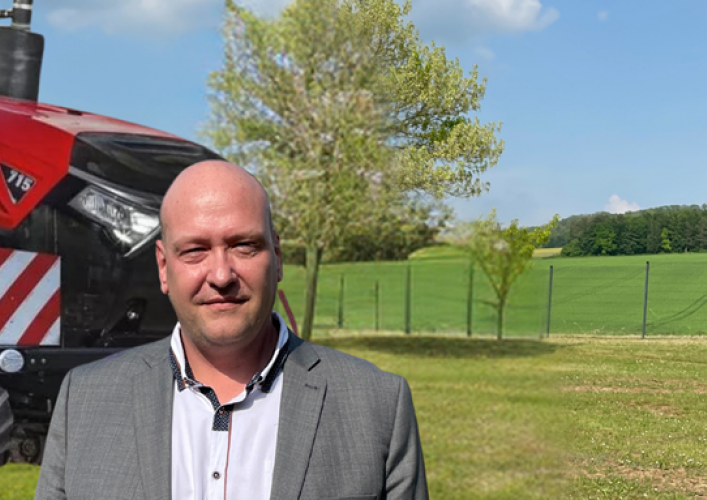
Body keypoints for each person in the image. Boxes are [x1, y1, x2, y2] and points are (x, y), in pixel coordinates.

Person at [33, 160, 428, 500]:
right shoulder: (83, 402)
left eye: (243, 246)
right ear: (163, 267)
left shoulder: (376, 407)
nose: (221, 275)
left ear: (277, 257)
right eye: (195, 251)